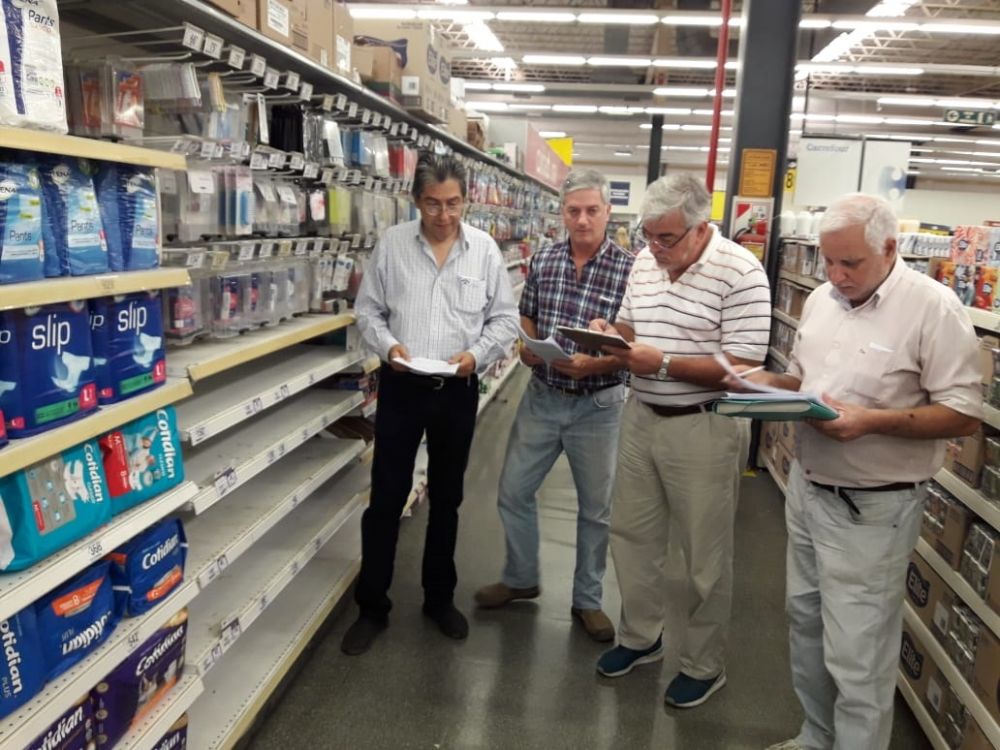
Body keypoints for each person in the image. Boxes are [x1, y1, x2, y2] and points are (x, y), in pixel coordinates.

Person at [733, 195, 981, 750]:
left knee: (859, 651)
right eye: (828, 260)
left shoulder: (933, 308)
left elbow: (963, 414)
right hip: (808, 489)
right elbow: (803, 381)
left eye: (850, 263)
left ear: (890, 249)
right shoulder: (822, 301)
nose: (836, 275)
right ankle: (817, 736)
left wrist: (871, 422)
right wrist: (760, 384)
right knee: (806, 623)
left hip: (873, 507)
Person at [589, 172, 771, 707]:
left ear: (701, 228)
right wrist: (610, 335)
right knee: (632, 535)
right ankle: (641, 636)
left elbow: (744, 368)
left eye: (666, 238)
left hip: (704, 425)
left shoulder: (742, 272)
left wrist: (664, 363)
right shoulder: (645, 261)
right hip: (641, 415)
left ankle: (702, 664)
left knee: (702, 555)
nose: (654, 248)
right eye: (648, 235)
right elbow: (630, 329)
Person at [343, 155, 519, 656]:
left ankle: (439, 599)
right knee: (386, 498)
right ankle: (372, 606)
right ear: (416, 200)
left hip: (456, 391)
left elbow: (505, 320)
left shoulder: (483, 250)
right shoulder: (393, 245)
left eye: (454, 203)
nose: (444, 215)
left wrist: (476, 355)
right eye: (433, 204)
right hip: (402, 388)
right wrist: (389, 347)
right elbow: (368, 311)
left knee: (447, 498)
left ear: (466, 200)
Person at [474, 169, 635, 641]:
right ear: (562, 213)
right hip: (543, 397)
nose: (582, 220)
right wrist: (527, 345)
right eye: (573, 211)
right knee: (513, 490)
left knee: (595, 509)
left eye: (592, 210)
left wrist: (594, 364)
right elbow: (529, 315)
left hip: (599, 406)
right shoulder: (544, 259)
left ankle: (588, 600)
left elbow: (633, 343)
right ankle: (521, 577)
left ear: (607, 212)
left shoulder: (632, 270)